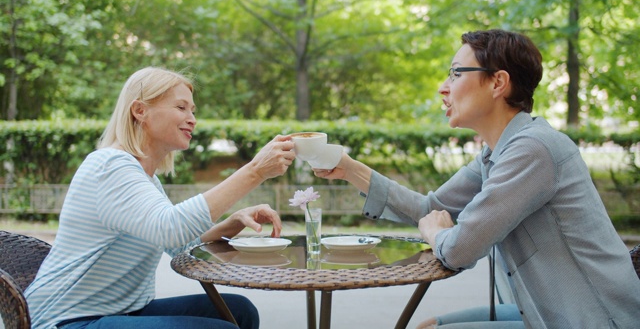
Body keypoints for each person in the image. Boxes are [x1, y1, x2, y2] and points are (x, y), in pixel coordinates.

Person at [313, 29, 640, 328]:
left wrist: (436, 233)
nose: (444, 87)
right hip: (543, 311)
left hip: (596, 319)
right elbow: (431, 208)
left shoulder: (533, 149)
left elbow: (458, 249)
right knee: (430, 326)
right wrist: (350, 169)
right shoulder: (495, 154)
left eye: (456, 73)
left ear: (498, 83)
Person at [25, 67, 297, 329]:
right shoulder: (109, 166)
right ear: (140, 110)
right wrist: (255, 171)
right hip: (65, 320)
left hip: (121, 310)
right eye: (181, 107)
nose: (192, 118)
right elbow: (170, 228)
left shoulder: (147, 179)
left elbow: (180, 245)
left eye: (192, 110)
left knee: (240, 312)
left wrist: (233, 223)